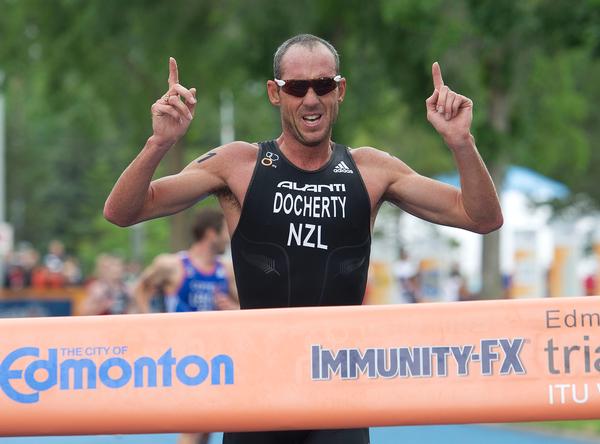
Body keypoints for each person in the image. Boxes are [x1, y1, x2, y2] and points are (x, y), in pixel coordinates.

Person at [104, 34, 503, 444]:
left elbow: (482, 217)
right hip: (258, 390)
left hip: (339, 392)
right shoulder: (237, 165)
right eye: (297, 87)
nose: (311, 99)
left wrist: (461, 143)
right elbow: (123, 212)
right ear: (275, 94)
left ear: (340, 90)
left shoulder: (372, 170)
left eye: (323, 85)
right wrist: (160, 142)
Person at [133, 208, 238, 444]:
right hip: (184, 357)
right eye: (224, 232)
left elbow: (246, 310)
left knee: (205, 428)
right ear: (211, 233)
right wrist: (150, 320)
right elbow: (140, 288)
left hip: (217, 358)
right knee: (196, 426)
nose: (228, 237)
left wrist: (232, 309)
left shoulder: (225, 271)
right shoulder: (172, 265)